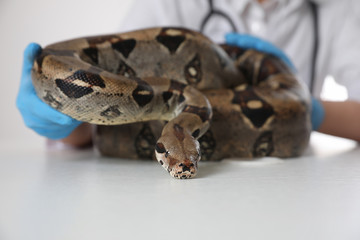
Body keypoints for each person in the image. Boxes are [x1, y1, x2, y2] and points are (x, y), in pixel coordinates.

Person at [16, 0, 360, 148]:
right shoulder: (171, 3)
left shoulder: (340, 10)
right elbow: (87, 133)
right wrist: (65, 119)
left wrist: (307, 108)